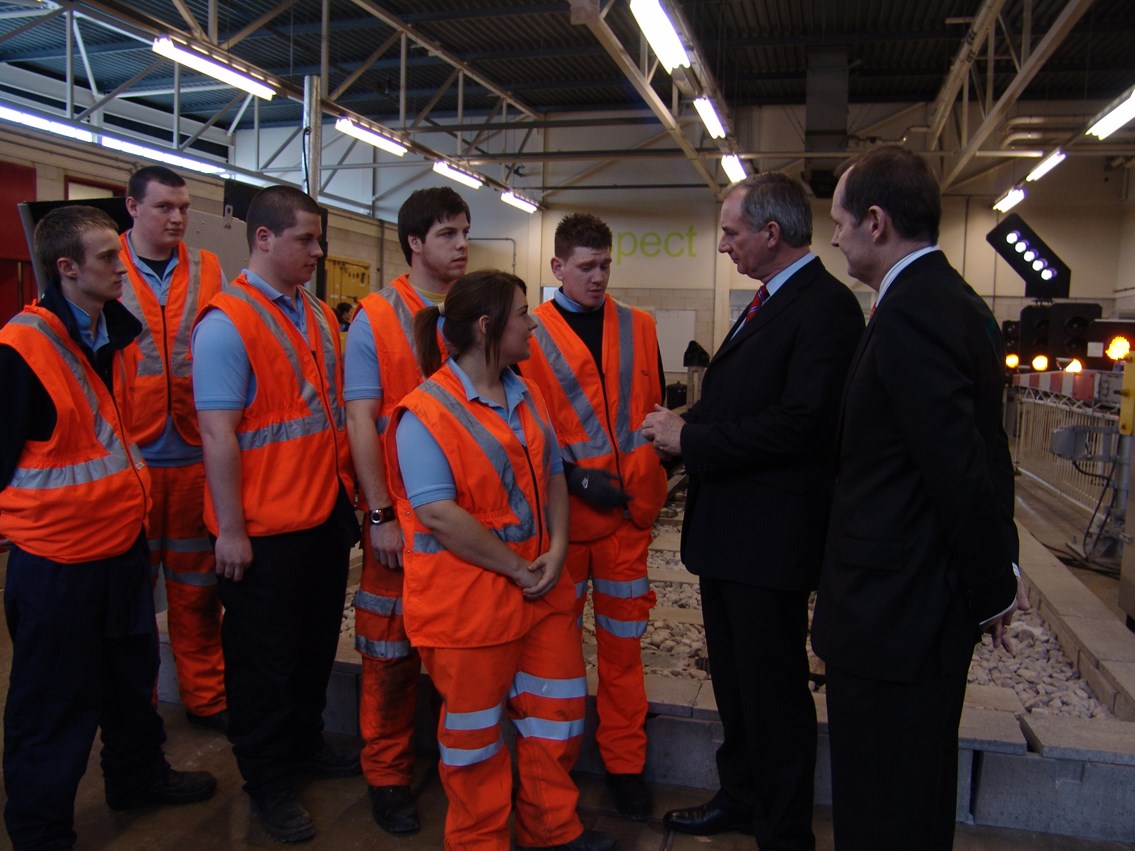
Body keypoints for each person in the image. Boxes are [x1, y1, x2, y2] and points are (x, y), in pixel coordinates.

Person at [811, 145, 1025, 850]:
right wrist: (997, 576)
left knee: (884, 806)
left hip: (893, 616)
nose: (834, 234)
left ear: (875, 222)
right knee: (911, 793)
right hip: (913, 610)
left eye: (839, 220)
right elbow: (987, 448)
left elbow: (958, 466)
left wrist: (991, 583)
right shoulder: (950, 299)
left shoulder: (911, 314)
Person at [642, 173, 863, 849]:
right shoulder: (768, 301)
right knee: (736, 686)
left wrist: (694, 439)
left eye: (731, 233)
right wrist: (682, 421)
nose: (722, 246)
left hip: (770, 540)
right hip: (731, 535)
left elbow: (800, 424)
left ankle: (781, 826)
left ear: (771, 233)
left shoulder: (825, 309)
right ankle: (739, 796)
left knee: (772, 691)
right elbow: (743, 399)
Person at [0, 205, 216, 850]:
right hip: (57, 564)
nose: (121, 269)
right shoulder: (21, 348)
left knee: (130, 680)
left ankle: (136, 776)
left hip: (119, 546)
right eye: (107, 260)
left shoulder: (109, 335)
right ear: (66, 268)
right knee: (53, 706)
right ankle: (41, 832)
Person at [387, 270, 616, 851]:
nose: (534, 323)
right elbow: (438, 514)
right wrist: (519, 568)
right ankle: (479, 842)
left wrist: (558, 548)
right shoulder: (424, 412)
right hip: (471, 605)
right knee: (475, 741)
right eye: (522, 314)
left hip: (539, 589)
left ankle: (551, 830)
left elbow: (555, 476)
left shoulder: (526, 392)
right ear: (488, 327)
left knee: (555, 718)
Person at [192, 185, 360, 843]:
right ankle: (266, 782)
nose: (317, 252)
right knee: (261, 667)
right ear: (263, 238)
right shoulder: (226, 323)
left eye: (318, 239)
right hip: (260, 533)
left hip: (319, 518)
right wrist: (229, 528)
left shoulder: (315, 314)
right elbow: (218, 434)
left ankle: (304, 744)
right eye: (306, 240)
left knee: (312, 649)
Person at [520, 213, 667, 819]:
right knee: (553, 663)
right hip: (564, 526)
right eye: (586, 267)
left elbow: (650, 413)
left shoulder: (640, 326)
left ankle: (625, 765)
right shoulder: (525, 333)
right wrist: (577, 477)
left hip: (629, 520)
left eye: (606, 265)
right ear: (556, 268)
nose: (599, 277)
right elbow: (524, 428)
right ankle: (549, 782)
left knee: (624, 653)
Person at [344, 185, 469, 835]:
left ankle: (464, 774)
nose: (463, 245)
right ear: (415, 242)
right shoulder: (377, 315)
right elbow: (361, 420)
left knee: (462, 656)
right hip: (404, 525)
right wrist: (379, 514)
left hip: (465, 523)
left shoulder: (475, 311)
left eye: (464, 232)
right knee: (388, 655)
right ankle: (387, 773)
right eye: (448, 233)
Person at [117, 165, 228, 733]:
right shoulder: (104, 265)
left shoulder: (209, 268)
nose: (177, 218)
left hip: (191, 453)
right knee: (131, 601)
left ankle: (206, 697)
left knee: (196, 587)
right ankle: (132, 714)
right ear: (133, 208)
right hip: (128, 458)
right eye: (164, 207)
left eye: (183, 207)